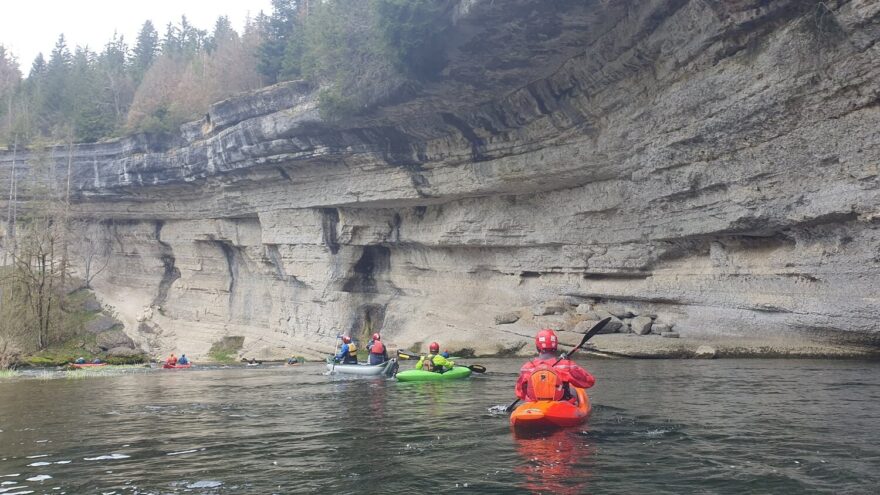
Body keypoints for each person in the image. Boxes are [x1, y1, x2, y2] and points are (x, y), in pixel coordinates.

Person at [515, 329, 595, 402]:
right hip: (562, 403)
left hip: (535, 404)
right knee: (574, 390)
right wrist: (568, 361)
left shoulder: (527, 367)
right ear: (555, 346)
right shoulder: (566, 365)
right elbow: (589, 382)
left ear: (537, 347)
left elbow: (520, 393)